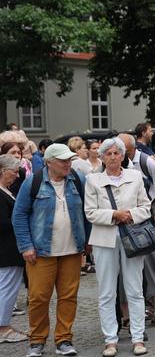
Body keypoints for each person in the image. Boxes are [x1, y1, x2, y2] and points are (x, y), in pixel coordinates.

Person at [12, 143, 88, 357]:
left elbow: (87, 212)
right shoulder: (33, 182)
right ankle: (36, 341)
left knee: (68, 296)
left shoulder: (78, 179)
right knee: (38, 297)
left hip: (72, 250)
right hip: (41, 251)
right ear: (49, 162)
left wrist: (88, 241)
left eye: (69, 160)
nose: (68, 164)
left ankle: (64, 339)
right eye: (63, 160)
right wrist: (26, 246)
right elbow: (19, 216)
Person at [84, 138, 151, 357]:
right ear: (102, 157)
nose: (113, 156)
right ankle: (110, 339)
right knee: (106, 291)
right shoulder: (93, 180)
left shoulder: (135, 177)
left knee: (135, 289)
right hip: (105, 239)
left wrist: (129, 215)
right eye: (108, 153)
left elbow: (146, 207)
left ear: (123, 155)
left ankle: (138, 337)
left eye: (116, 153)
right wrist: (114, 214)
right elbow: (90, 212)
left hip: (132, 237)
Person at [117, 133, 155, 327]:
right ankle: (131, 314)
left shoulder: (143, 161)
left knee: (151, 264)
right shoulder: (110, 168)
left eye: (120, 150)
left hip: (142, 219)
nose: (116, 154)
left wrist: (154, 205)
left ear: (129, 149)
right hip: (125, 221)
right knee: (126, 268)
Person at [0, 154, 28, 343]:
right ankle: (3, 328)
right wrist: (22, 222)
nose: (17, 175)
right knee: (7, 289)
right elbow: (3, 223)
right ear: (3, 171)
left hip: (9, 249)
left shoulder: (6, 191)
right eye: (14, 171)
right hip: (7, 250)